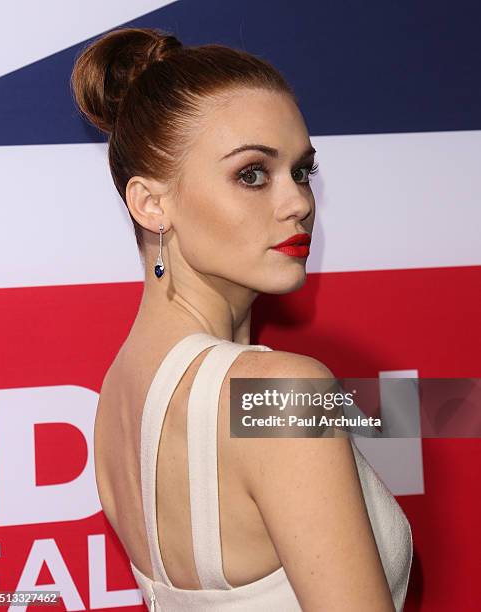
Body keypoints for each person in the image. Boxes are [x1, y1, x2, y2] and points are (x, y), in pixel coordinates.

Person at [71, 27, 413, 611]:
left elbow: (418, 415)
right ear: (152, 203)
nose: (299, 203)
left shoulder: (118, 394)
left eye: (302, 171)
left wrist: (453, 407)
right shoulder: (283, 393)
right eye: (252, 174)